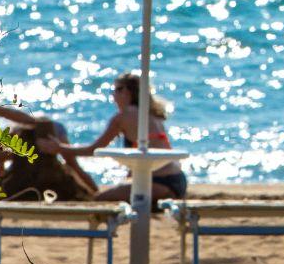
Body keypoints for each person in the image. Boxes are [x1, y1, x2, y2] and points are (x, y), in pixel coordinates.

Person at [34, 73, 186, 205]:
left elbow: (94, 150)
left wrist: (59, 148)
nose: (113, 96)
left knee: (100, 199)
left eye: (116, 90)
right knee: (120, 192)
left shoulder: (123, 117)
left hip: (157, 182)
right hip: (177, 180)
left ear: (126, 92)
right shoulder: (151, 113)